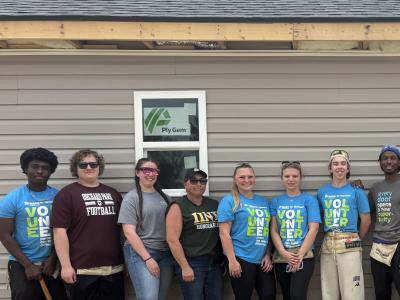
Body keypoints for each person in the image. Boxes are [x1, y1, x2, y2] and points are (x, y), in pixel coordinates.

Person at [51, 149, 124, 300]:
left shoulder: (114, 194)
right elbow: (59, 232)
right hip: (81, 270)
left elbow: (123, 230)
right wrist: (65, 266)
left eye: (93, 164)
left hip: (114, 268)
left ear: (99, 167)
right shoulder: (66, 195)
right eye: (83, 165)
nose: (89, 168)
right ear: (75, 169)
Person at [0, 147, 67, 300]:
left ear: (51, 171)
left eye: (45, 168)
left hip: (52, 263)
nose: (40, 171)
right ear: (25, 169)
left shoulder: (60, 197)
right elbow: (4, 234)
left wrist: (53, 259)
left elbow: (65, 232)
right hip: (22, 262)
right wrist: (28, 265)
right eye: (35, 166)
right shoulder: (12, 199)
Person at [317, 149, 371, 300]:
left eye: (343, 163)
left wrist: (356, 238)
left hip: (350, 241)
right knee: (329, 292)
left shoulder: (356, 191)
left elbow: (366, 220)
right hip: (328, 243)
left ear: (348, 168)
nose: (339, 167)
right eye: (335, 164)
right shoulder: (322, 193)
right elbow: (317, 218)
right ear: (330, 168)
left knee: (353, 293)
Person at [218, 162, 276, 300]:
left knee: (269, 295)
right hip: (240, 257)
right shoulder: (229, 201)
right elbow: (224, 233)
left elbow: (266, 231)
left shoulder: (263, 202)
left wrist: (268, 254)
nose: (246, 180)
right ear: (235, 179)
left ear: (254, 178)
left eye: (250, 176)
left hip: (262, 259)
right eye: (242, 177)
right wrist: (232, 261)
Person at [118, 158, 172, 300]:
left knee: (161, 296)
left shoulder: (165, 198)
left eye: (154, 170)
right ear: (137, 173)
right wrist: (147, 258)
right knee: (149, 297)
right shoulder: (131, 198)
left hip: (165, 253)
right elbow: (129, 232)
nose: (151, 174)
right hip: (141, 254)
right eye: (146, 170)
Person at [166, 168, 223, 300]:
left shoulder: (214, 204)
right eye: (194, 180)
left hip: (214, 263)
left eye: (202, 181)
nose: (199, 184)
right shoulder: (178, 206)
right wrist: (184, 267)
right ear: (185, 183)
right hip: (192, 263)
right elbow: (172, 240)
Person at [270, 161, 321, 300]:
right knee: (287, 295)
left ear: (301, 178)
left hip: (304, 254)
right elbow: (274, 230)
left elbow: (314, 228)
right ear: (282, 178)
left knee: (298, 295)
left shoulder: (309, 200)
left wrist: (299, 255)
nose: (291, 179)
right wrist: (283, 252)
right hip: (282, 255)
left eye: (294, 176)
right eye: (287, 176)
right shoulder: (276, 202)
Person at [368, 145, 400, 299]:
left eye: (393, 158)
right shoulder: (375, 188)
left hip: (398, 244)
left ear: (399, 162)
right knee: (381, 292)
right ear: (379, 162)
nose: (389, 161)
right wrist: (356, 191)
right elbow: (365, 212)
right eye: (385, 158)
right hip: (379, 247)